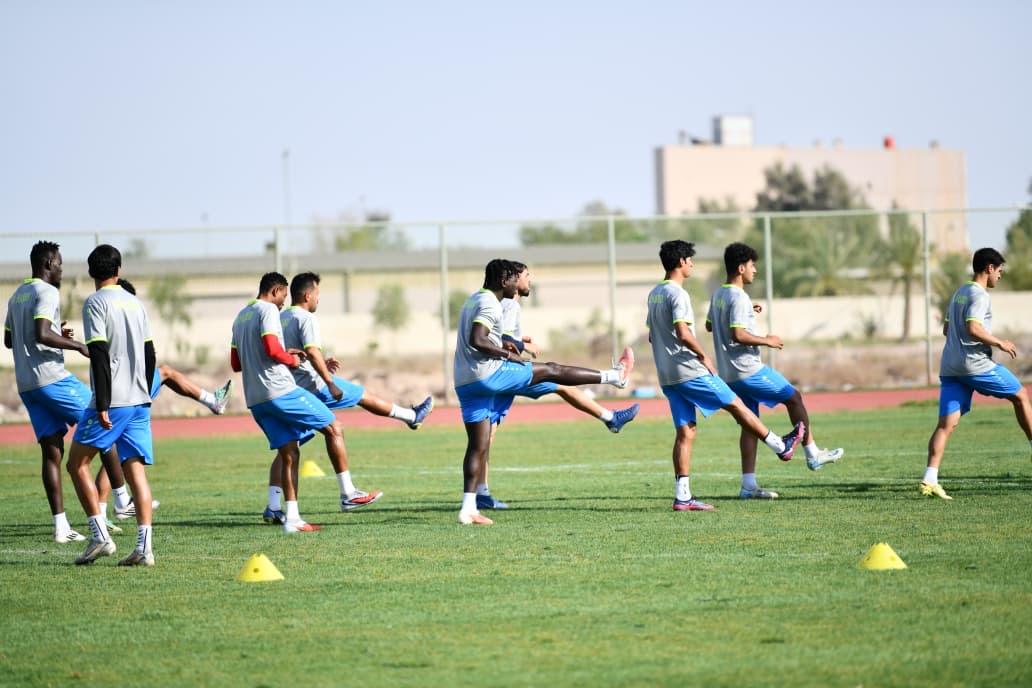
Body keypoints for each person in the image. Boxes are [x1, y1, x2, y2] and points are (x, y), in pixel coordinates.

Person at [454, 258, 635, 525]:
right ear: (504, 281)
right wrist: (510, 353)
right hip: (491, 374)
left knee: (478, 444)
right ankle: (614, 377)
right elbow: (478, 339)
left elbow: (483, 337)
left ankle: (468, 508)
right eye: (517, 278)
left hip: (465, 381)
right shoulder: (491, 303)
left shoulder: (473, 299)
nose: (520, 282)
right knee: (551, 370)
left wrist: (511, 344)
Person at [647, 240, 805, 511]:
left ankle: (683, 497)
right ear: (681, 262)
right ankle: (781, 446)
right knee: (735, 404)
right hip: (689, 370)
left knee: (686, 432)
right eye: (690, 260)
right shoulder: (678, 294)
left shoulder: (654, 294)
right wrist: (703, 356)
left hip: (667, 375)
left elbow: (652, 336)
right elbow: (683, 333)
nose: (692, 264)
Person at [262, 271, 428, 521]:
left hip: (291, 389)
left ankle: (273, 506)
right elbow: (311, 350)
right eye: (318, 294)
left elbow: (288, 353)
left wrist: (318, 362)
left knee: (288, 447)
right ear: (307, 295)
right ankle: (409, 416)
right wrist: (329, 381)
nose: (319, 299)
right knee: (360, 397)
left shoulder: (281, 317)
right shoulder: (306, 317)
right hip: (315, 386)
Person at [231, 272, 380, 532]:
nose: (283, 303)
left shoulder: (240, 316)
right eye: (283, 296)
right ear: (276, 290)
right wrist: (292, 360)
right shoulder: (268, 310)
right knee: (334, 427)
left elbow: (236, 363)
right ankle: (349, 494)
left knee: (290, 453)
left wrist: (283, 353)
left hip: (255, 399)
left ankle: (292, 519)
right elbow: (271, 349)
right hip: (280, 390)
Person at [705, 242, 844, 499]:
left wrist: (748, 311)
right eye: (752, 265)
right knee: (794, 398)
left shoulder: (718, 295)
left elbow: (710, 326)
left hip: (729, 374)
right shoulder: (737, 296)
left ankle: (748, 485)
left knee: (750, 425)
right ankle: (813, 454)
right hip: (748, 370)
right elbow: (737, 334)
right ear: (740, 267)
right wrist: (767, 340)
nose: (755, 270)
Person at [65, 244, 158, 566]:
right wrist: (145, 389)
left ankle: (99, 537)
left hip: (113, 399)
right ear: (119, 269)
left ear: (92, 272)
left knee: (76, 464)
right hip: (138, 399)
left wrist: (102, 403)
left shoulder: (95, 303)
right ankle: (144, 549)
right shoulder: (135, 303)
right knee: (136, 472)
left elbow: (100, 353)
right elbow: (150, 353)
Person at [3, 240, 100, 543]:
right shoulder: (47, 291)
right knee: (104, 417)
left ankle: (61, 527)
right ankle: (117, 505)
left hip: (27, 385)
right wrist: (79, 345)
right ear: (47, 264)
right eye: (59, 263)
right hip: (51, 379)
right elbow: (42, 333)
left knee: (52, 451)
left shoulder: (16, 295)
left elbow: (9, 340)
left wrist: (59, 335)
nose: (62, 268)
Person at [921, 247, 1032, 500]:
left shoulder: (959, 292)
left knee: (946, 425)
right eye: (1000, 271)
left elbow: (947, 330)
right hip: (974, 365)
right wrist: (999, 342)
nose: (1000, 276)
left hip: (950, 367)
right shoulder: (979, 295)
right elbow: (973, 327)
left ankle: (929, 478)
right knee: (1021, 395)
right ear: (989, 268)